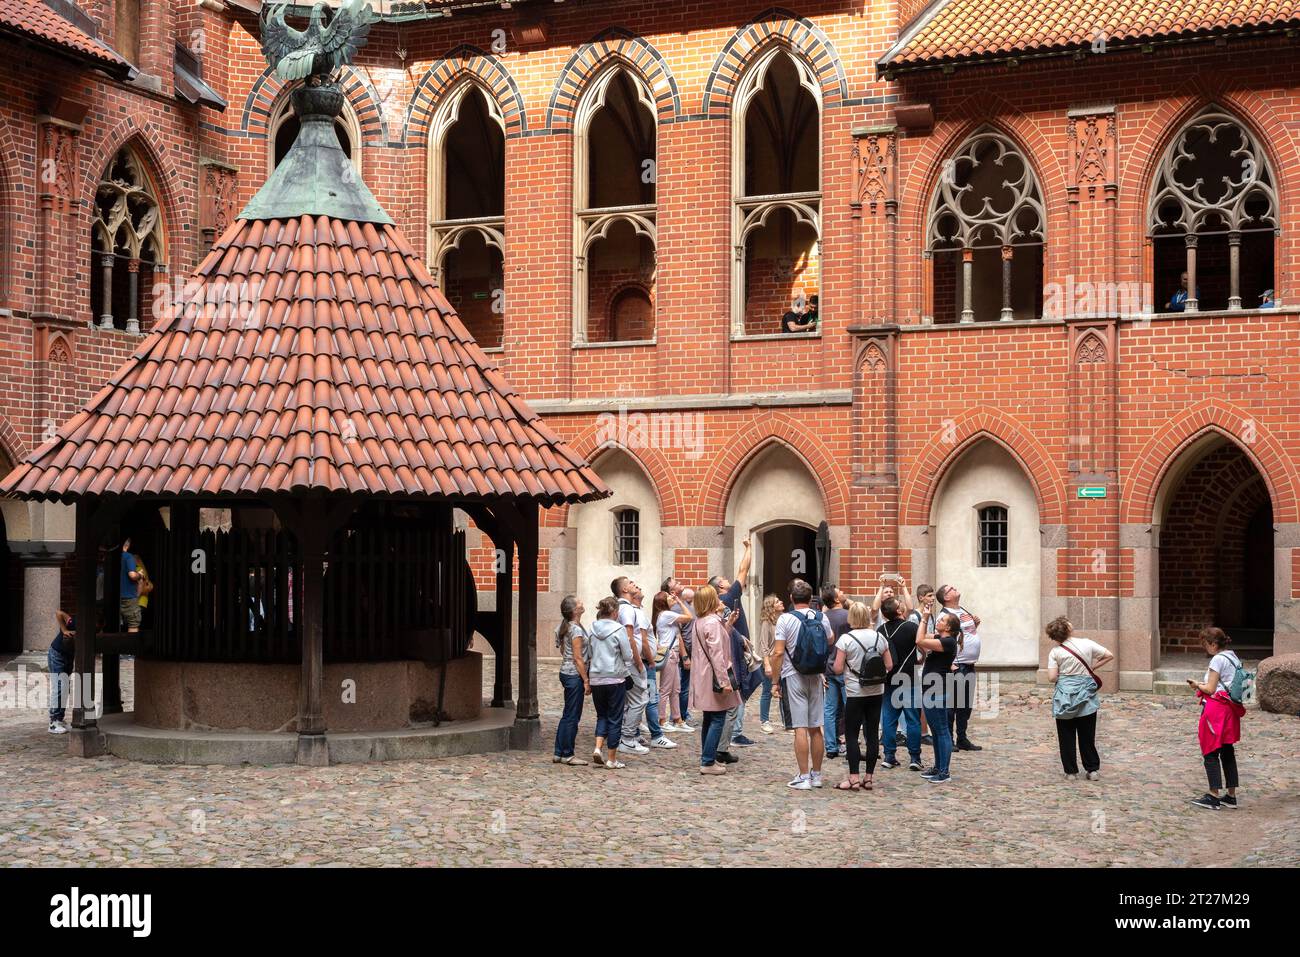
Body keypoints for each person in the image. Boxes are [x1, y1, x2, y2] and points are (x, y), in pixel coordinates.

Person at [771, 578, 833, 790]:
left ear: (791, 598)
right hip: (816, 674)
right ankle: (817, 775)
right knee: (816, 727)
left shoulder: (785, 619)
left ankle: (804, 776)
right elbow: (830, 640)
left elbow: (779, 652)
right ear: (811, 598)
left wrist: (774, 681)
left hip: (793, 673)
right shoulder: (821, 616)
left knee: (800, 727)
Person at [832, 601, 892, 791]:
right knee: (872, 734)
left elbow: (838, 667)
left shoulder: (846, 639)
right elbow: (889, 665)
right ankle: (869, 777)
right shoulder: (879, 637)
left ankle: (854, 778)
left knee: (851, 734)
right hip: (876, 691)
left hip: (855, 692)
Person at [1045, 616, 1113, 781]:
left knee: (1066, 734)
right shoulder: (1087, 643)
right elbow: (1108, 655)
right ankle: (1092, 769)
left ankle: (1070, 772)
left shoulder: (1056, 652)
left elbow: (1052, 677)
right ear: (1068, 629)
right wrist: (1092, 667)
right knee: (1087, 733)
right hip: (1086, 694)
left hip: (1065, 696)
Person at [1187, 627, 1246, 810]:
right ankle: (1231, 795)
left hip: (1216, 709)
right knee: (1227, 750)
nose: (1206, 649)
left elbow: (1211, 689)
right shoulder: (1233, 656)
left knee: (1210, 750)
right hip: (1229, 709)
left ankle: (1213, 795)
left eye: (1206, 645)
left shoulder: (1218, 659)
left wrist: (1197, 684)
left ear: (1213, 644)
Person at [689, 585, 740, 775]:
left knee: (709, 717)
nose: (721, 599)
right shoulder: (711, 622)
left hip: (704, 676)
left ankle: (707, 757)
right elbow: (717, 655)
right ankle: (708, 761)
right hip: (713, 677)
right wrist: (724, 681)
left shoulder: (701, 621)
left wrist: (728, 624)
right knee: (718, 717)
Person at [711, 538, 755, 761]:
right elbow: (743, 570)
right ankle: (727, 741)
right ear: (720, 586)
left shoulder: (718, 603)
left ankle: (722, 741)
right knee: (735, 696)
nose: (729, 581)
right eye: (724, 580)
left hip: (731, 653)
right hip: (734, 655)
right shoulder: (728, 597)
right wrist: (748, 548)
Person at [587, 596, 636, 769]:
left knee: (602, 715)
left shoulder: (591, 628)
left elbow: (588, 653)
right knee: (615, 717)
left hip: (596, 677)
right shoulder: (619, 629)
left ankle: (598, 747)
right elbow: (628, 655)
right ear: (615, 612)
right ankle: (611, 759)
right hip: (615, 677)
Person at [879, 596, 923, 771]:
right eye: (900, 604)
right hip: (909, 678)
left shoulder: (881, 630)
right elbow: (923, 646)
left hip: (889, 679)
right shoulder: (911, 627)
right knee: (912, 719)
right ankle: (914, 757)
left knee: (889, 719)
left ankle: (889, 756)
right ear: (899, 611)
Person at [916, 610, 960, 783]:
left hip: (938, 690)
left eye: (942, 620)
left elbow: (919, 640)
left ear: (948, 627)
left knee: (942, 731)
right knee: (935, 730)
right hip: (930, 689)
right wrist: (923, 619)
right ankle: (937, 766)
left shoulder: (948, 642)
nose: (939, 620)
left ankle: (944, 771)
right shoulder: (940, 638)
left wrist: (925, 618)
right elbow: (920, 635)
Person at [552, 595, 589, 766]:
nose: (582, 603)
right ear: (575, 610)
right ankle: (567, 753)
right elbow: (578, 658)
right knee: (572, 716)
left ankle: (559, 752)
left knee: (567, 714)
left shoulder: (564, 626)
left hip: (565, 672)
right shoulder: (576, 630)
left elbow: (563, 652)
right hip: (574, 675)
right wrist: (586, 680)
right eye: (579, 602)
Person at [653, 590, 694, 732]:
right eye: (669, 597)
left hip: (674, 655)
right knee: (665, 689)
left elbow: (678, 636)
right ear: (663, 601)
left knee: (675, 689)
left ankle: (678, 719)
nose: (672, 597)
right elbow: (689, 616)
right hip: (669, 654)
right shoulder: (666, 614)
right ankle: (662, 720)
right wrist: (681, 602)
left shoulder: (666, 615)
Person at [821, 584, 849, 760]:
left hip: (829, 668)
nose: (843, 592)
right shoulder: (848, 616)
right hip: (847, 669)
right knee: (850, 708)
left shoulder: (822, 618)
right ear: (836, 599)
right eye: (841, 591)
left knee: (829, 709)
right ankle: (848, 743)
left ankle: (831, 746)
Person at [754, 593, 786, 734]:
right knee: (767, 691)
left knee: (785, 691)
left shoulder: (785, 619)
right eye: (777, 601)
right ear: (771, 607)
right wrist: (766, 664)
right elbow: (764, 645)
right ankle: (764, 721)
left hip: (784, 661)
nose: (781, 602)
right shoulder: (767, 622)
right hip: (771, 660)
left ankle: (788, 721)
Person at [48, 610, 75, 734]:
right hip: (57, 654)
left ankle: (60, 719)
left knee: (64, 688)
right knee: (59, 687)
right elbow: (58, 613)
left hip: (68, 656)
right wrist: (64, 630)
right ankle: (53, 722)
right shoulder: (74, 622)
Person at [675, 586, 696, 722]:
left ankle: (682, 713)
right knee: (683, 685)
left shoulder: (687, 607)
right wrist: (685, 656)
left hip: (689, 650)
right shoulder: (679, 610)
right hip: (685, 651)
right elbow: (679, 635)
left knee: (685, 684)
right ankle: (681, 715)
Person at [119, 538, 142, 633]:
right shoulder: (128, 557)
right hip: (128, 597)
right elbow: (132, 575)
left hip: (115, 597)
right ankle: (131, 647)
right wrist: (140, 575)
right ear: (127, 545)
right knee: (133, 622)